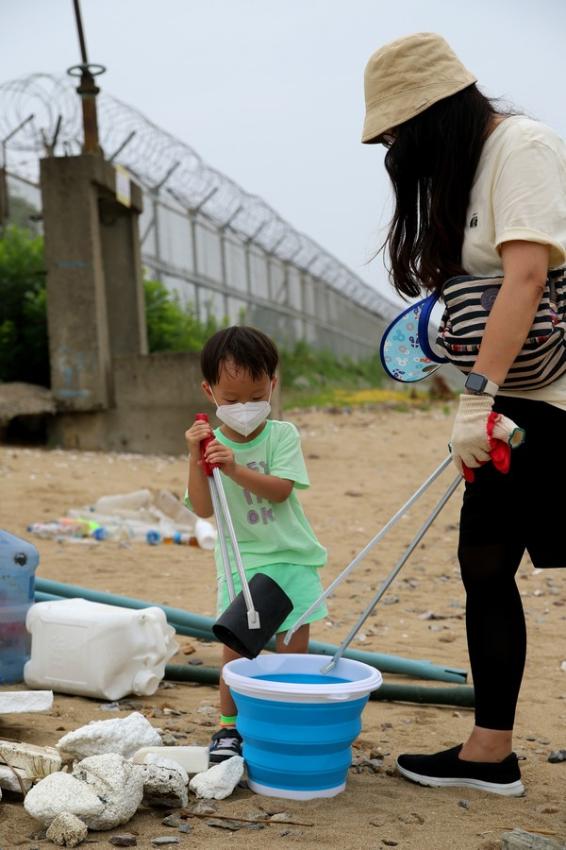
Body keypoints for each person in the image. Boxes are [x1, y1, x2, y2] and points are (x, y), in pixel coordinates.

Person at [362, 32, 566, 795]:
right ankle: (491, 751)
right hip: (514, 404)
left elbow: (525, 277)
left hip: (548, 402)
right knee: (484, 563)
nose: (394, 148)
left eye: (396, 132)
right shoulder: (469, 170)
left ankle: (491, 750)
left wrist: (474, 398)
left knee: (497, 559)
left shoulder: (524, 148)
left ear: (433, 114)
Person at [184, 325, 327, 762]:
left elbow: (281, 490)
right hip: (242, 563)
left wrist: (233, 469)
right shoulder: (210, 443)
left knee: (292, 653)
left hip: (294, 560)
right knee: (236, 651)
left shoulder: (282, 435)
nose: (244, 408)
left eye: (255, 397)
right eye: (231, 400)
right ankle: (228, 729)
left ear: (272, 385)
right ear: (210, 392)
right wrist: (196, 456)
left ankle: (285, 720)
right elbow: (204, 509)